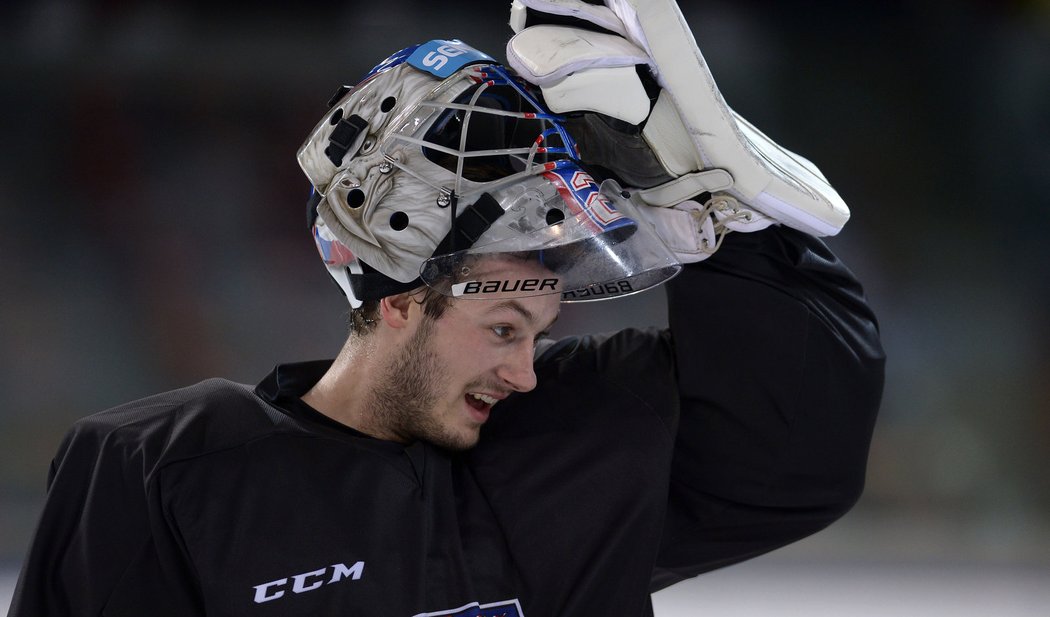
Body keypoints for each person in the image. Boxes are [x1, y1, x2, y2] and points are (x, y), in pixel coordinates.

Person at [8, 1, 885, 616]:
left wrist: (726, 228)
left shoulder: (586, 438)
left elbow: (803, 448)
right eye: (504, 329)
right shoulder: (167, 470)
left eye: (540, 333)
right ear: (399, 298)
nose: (525, 370)